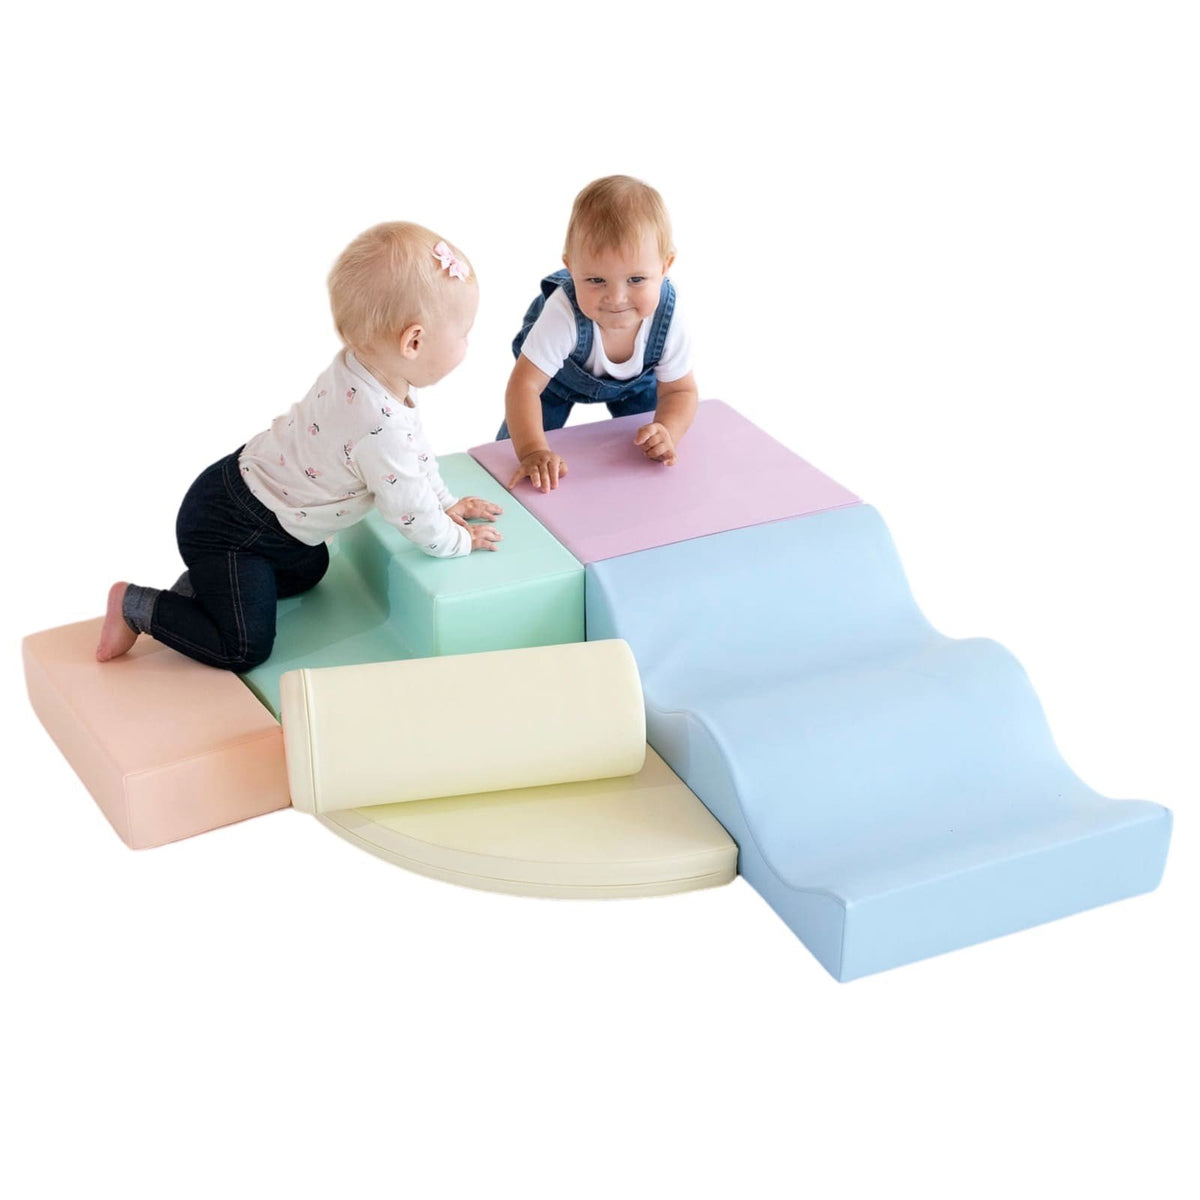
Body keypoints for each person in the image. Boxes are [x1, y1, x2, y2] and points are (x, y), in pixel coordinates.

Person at [96, 222, 502, 669]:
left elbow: (415, 450)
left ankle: (205, 588)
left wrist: (445, 501)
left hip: (255, 507)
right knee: (245, 647)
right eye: (464, 334)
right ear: (414, 341)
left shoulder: (367, 370)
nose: (468, 344)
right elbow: (408, 511)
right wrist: (457, 539)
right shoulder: (377, 424)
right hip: (231, 526)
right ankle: (135, 605)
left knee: (312, 567)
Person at [500, 175, 699, 492]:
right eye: (595, 280)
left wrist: (667, 430)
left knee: (652, 458)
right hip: (555, 384)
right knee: (508, 461)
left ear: (665, 267)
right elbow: (524, 386)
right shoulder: (563, 313)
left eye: (636, 279)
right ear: (571, 267)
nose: (616, 298)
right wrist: (532, 451)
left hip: (635, 387)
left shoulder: (668, 316)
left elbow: (681, 391)